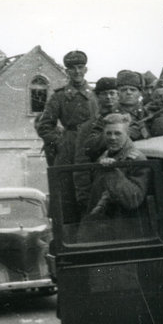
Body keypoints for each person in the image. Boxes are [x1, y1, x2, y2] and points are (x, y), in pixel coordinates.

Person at [35, 50, 97, 223]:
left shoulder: (95, 95)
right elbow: (44, 126)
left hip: (92, 146)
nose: (77, 72)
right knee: (66, 193)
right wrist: (61, 142)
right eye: (72, 68)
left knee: (93, 189)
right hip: (69, 150)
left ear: (85, 69)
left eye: (80, 67)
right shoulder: (59, 96)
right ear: (67, 71)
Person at [79, 113, 151, 241]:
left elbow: (133, 199)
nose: (112, 138)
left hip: (124, 230)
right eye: (108, 133)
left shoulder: (136, 159)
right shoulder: (106, 155)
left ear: (127, 134)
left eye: (118, 133)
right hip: (103, 225)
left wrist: (112, 171)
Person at [73, 77, 120, 213]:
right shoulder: (88, 127)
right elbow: (81, 162)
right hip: (100, 187)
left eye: (112, 93)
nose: (109, 97)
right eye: (104, 94)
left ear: (118, 95)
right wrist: (84, 195)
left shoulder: (128, 120)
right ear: (96, 96)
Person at [116, 70, 150, 139]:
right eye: (124, 90)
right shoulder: (109, 113)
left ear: (140, 93)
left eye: (133, 90)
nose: (128, 92)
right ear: (118, 93)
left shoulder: (147, 112)